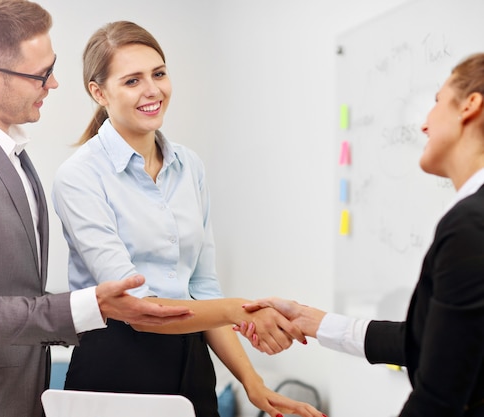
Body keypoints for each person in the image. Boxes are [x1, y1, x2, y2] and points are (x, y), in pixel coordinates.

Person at [0, 3, 194, 417]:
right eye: (41, 74)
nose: (53, 83)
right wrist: (90, 306)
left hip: (21, 396)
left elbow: (16, 294)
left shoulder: (9, 154)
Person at [51, 21, 326, 417]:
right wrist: (239, 310)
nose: (153, 90)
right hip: (115, 369)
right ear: (98, 92)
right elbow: (137, 309)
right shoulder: (79, 176)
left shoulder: (188, 165)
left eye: (159, 74)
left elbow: (203, 289)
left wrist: (253, 383)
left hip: (193, 366)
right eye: (132, 81)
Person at [238, 53, 484, 416]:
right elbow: (429, 342)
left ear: (470, 106)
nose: (424, 126)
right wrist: (313, 320)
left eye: (436, 102)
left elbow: (438, 399)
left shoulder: (470, 224)